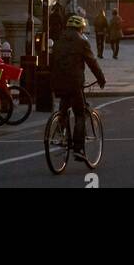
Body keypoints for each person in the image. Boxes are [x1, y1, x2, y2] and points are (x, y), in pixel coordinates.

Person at [50, 14, 106, 163]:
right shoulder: (82, 42)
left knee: (63, 108)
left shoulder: (58, 42)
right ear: (81, 28)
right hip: (74, 83)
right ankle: (78, 149)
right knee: (80, 114)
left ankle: (60, 131)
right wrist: (101, 78)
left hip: (57, 82)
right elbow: (92, 62)